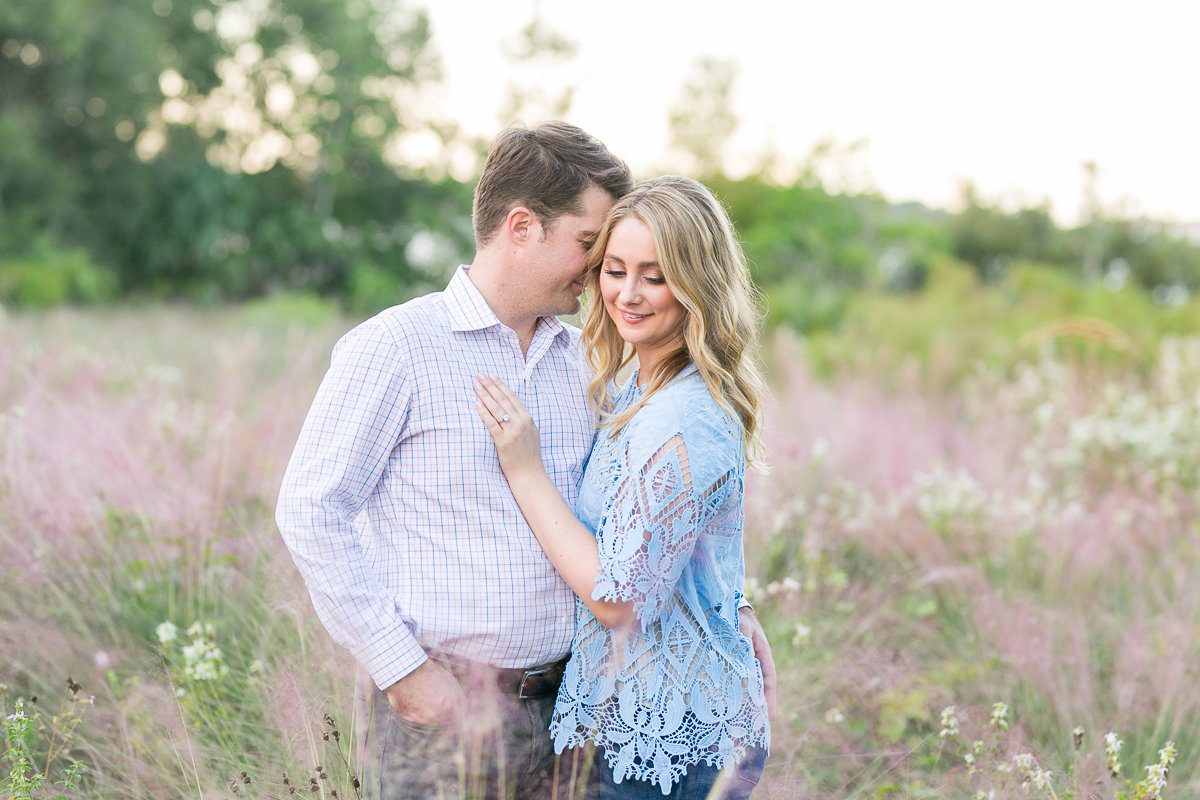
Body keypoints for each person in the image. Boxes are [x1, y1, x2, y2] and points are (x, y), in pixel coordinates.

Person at [276, 124, 775, 800]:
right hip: (447, 708)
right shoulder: (396, 348)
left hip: (573, 712)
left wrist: (727, 604)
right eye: (588, 246)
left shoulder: (591, 364)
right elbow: (311, 510)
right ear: (521, 226)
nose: (600, 273)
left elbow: (656, 516)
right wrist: (404, 673)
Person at [473, 175, 772, 799]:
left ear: (698, 286)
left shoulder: (681, 417)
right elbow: (686, 547)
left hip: (671, 739)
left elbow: (621, 604)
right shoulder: (638, 386)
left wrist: (525, 472)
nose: (627, 294)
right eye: (613, 269)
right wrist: (734, 604)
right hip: (622, 721)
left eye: (655, 276)